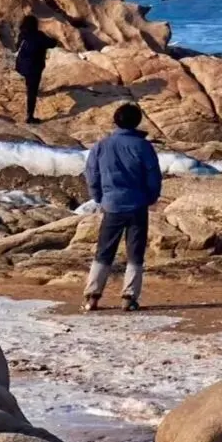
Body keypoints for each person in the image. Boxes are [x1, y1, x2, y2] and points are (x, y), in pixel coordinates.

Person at [82, 102, 162, 312]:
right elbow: (153, 176)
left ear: (115, 121)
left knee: (104, 251)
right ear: (136, 122)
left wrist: (98, 197)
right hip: (137, 205)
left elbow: (92, 173)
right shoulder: (143, 146)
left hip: (112, 204)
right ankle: (129, 297)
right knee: (135, 252)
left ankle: (92, 296)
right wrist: (151, 197)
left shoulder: (102, 145)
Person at [14, 14, 57, 123]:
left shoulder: (22, 34)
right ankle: (30, 116)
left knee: (30, 83)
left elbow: (16, 46)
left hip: (21, 65)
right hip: (34, 67)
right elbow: (52, 44)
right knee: (32, 91)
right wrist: (54, 38)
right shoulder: (39, 35)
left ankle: (30, 87)